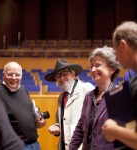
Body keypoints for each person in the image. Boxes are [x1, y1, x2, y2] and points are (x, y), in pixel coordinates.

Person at [69, 46, 121, 150]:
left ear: (112, 69)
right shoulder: (89, 96)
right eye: (91, 66)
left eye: (97, 65)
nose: (93, 70)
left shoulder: (120, 95)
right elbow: (80, 128)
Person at [0, 61, 46, 150]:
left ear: (21, 76)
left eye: (17, 75)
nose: (14, 78)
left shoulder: (23, 90)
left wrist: (39, 122)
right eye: (10, 74)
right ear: (3, 75)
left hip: (34, 145)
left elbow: (27, 116)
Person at [101, 21, 137, 150]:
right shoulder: (133, 80)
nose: (116, 58)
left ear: (123, 45)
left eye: (116, 51)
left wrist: (115, 130)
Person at [45, 59, 94, 150]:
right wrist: (57, 128)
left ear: (73, 74)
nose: (61, 78)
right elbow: (61, 123)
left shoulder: (87, 89)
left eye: (64, 73)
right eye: (58, 76)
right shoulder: (61, 97)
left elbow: (96, 120)